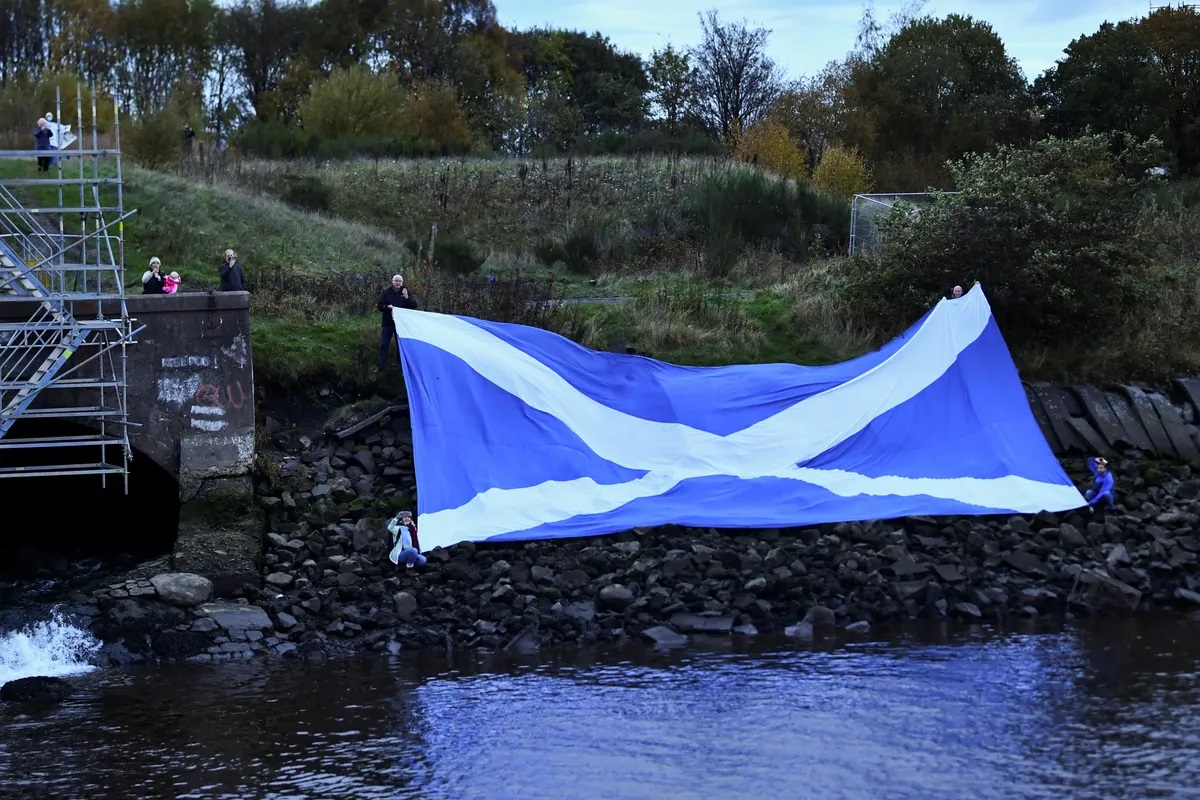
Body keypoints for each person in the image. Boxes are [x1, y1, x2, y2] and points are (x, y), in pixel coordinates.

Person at [376, 274, 418, 372]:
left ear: (402, 282)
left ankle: (400, 367)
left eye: (400, 281)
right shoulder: (386, 292)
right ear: (392, 281)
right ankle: (380, 367)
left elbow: (414, 306)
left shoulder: (406, 291)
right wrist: (387, 307)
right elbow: (379, 306)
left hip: (401, 325)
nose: (398, 283)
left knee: (401, 346)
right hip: (388, 323)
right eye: (396, 281)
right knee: (384, 345)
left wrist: (407, 297)